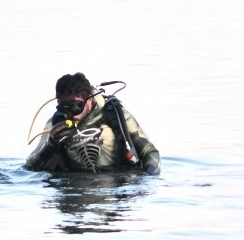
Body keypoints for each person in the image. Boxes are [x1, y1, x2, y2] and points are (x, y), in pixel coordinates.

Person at [25, 73, 160, 175]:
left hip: (114, 186)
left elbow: (150, 153)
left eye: (76, 107)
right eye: (64, 108)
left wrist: (148, 179)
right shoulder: (55, 125)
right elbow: (30, 165)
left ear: (89, 99)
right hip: (73, 188)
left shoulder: (116, 116)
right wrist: (50, 146)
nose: (71, 114)